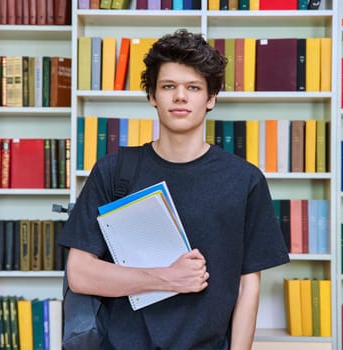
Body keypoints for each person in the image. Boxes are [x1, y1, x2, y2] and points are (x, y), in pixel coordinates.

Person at [57, 29, 290, 349]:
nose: (180, 96)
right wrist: (166, 278)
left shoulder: (244, 180)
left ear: (211, 98)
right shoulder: (114, 172)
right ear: (152, 96)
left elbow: (247, 286)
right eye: (169, 86)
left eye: (193, 87)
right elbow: (80, 274)